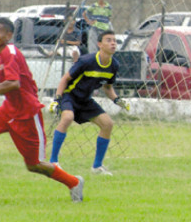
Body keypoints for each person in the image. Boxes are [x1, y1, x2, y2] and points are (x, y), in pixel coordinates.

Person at [0, 18, 84, 202]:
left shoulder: (10, 52)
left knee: (34, 164)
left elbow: (14, 83)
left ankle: (73, 182)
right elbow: (11, 80)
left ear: (9, 35)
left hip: (26, 113)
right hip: (8, 109)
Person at [48, 29, 130, 175]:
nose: (113, 43)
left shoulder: (114, 65)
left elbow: (108, 88)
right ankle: (53, 162)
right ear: (99, 44)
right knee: (67, 117)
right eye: (108, 40)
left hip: (85, 100)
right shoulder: (87, 61)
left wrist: (118, 100)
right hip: (69, 96)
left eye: (114, 40)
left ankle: (97, 167)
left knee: (108, 124)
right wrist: (57, 99)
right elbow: (65, 79)